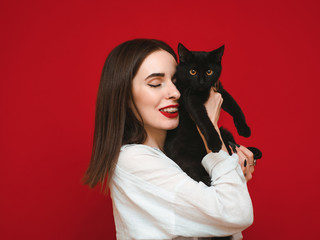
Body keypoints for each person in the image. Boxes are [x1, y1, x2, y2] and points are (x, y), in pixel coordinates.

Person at [84, 39, 256, 239]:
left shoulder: (171, 155)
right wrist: (212, 134)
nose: (175, 93)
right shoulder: (134, 161)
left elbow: (221, 223)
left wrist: (231, 176)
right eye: (156, 84)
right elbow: (235, 214)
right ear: (124, 95)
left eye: (176, 82)